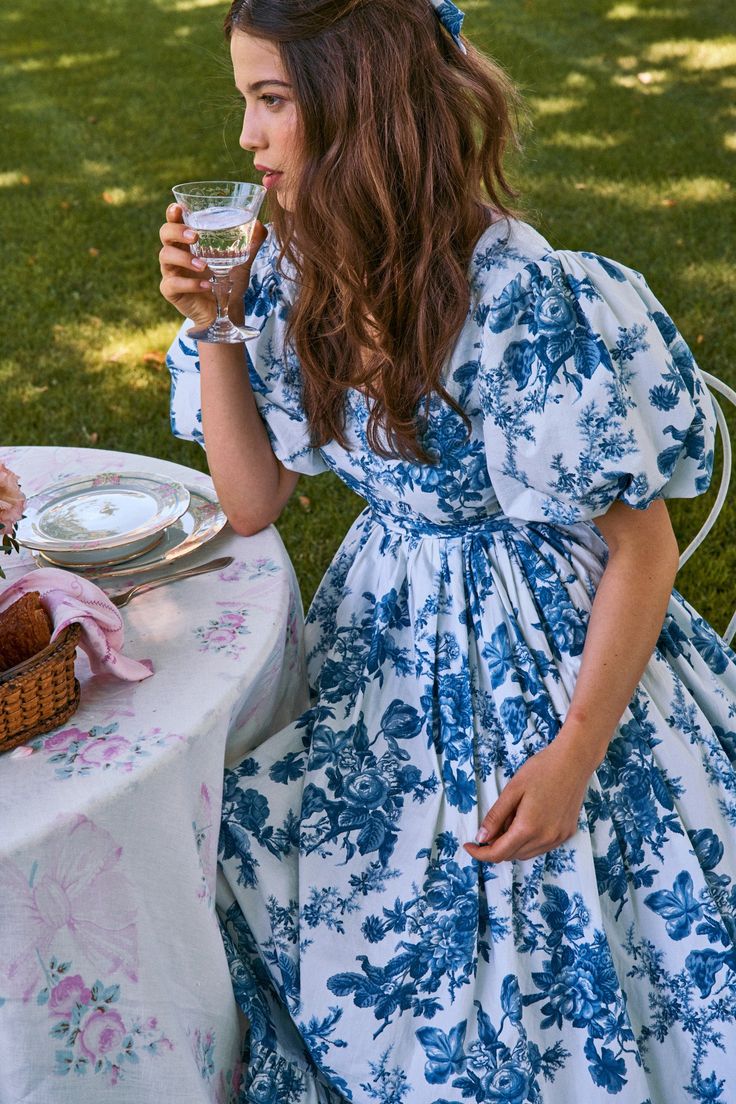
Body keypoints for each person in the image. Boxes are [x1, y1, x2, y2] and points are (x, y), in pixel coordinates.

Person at [159, 2, 736, 1100]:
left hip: (551, 634)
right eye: (245, 101)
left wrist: (571, 757)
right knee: (278, 856)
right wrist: (220, 323)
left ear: (360, 105)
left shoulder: (513, 292)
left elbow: (645, 549)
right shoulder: (286, 269)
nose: (244, 138)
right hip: (390, 618)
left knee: (526, 916)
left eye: (270, 100)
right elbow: (249, 500)